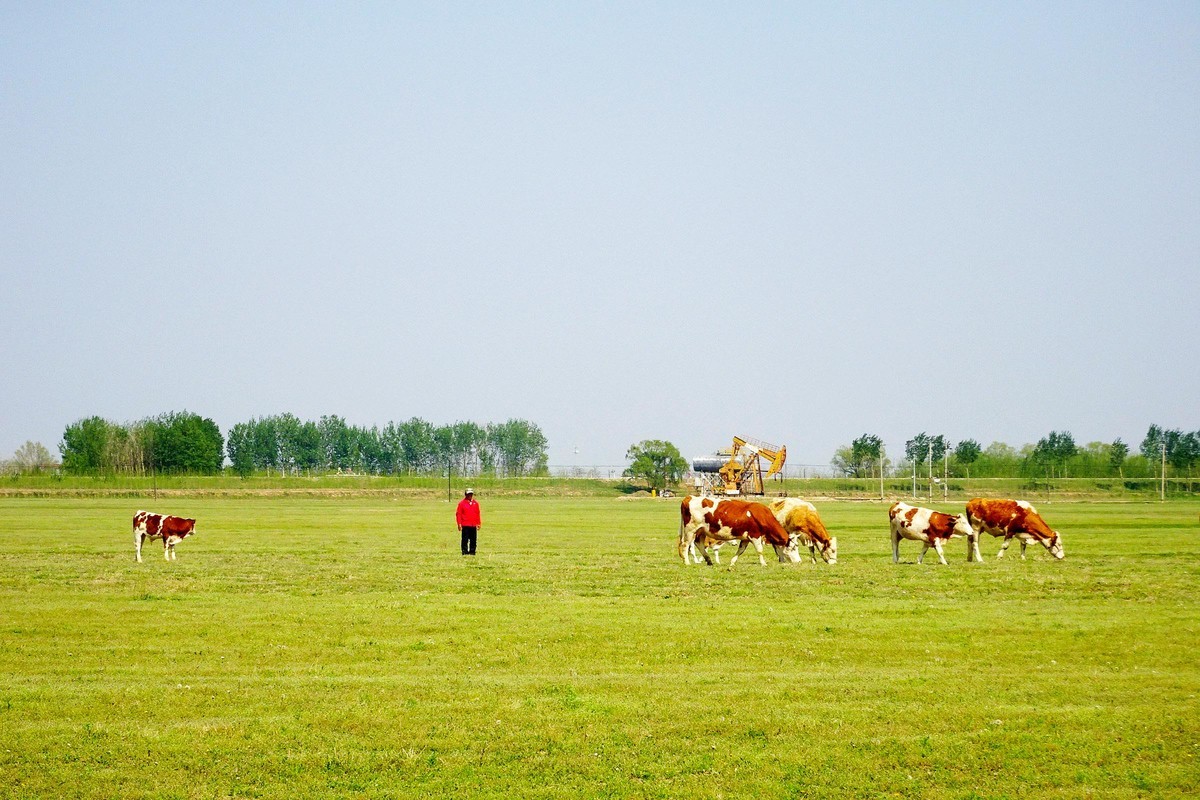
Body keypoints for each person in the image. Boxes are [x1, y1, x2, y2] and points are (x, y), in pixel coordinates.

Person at [455, 488, 481, 556]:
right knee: (465, 539)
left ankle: (472, 551)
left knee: (473, 539)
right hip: (465, 524)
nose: (470, 495)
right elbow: (459, 514)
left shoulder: (475, 503)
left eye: (471, 494)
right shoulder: (462, 503)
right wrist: (459, 524)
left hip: (473, 525)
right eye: (468, 494)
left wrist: (478, 523)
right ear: (466, 494)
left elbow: (477, 513)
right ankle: (465, 551)